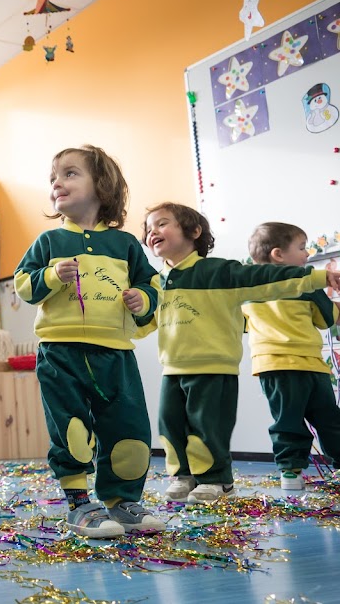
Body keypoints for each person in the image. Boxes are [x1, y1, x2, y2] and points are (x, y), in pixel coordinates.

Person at [139, 204, 340, 503]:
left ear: (194, 232)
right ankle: (183, 474)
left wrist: (318, 278)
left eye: (162, 223)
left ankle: (216, 479)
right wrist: (134, 307)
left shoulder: (218, 271)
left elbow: (265, 278)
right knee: (170, 425)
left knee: (208, 427)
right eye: (148, 228)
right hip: (173, 367)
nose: (151, 232)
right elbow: (144, 322)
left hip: (213, 367)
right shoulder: (156, 282)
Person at [14, 144, 164, 539]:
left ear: (102, 184)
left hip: (115, 353)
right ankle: (80, 504)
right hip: (60, 353)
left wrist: (143, 298)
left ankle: (123, 500)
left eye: (69, 173)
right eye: (53, 178)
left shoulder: (126, 245)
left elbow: (152, 285)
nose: (57, 183)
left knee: (129, 428)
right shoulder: (48, 242)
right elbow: (23, 286)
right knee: (72, 430)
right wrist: (50, 275)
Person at [242, 222, 340, 491]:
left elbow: (238, 322)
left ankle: (290, 472)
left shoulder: (246, 287)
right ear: (278, 254)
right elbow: (327, 320)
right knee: (329, 418)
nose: (307, 254)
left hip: (273, 365)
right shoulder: (306, 283)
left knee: (287, 419)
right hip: (308, 365)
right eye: (301, 248)